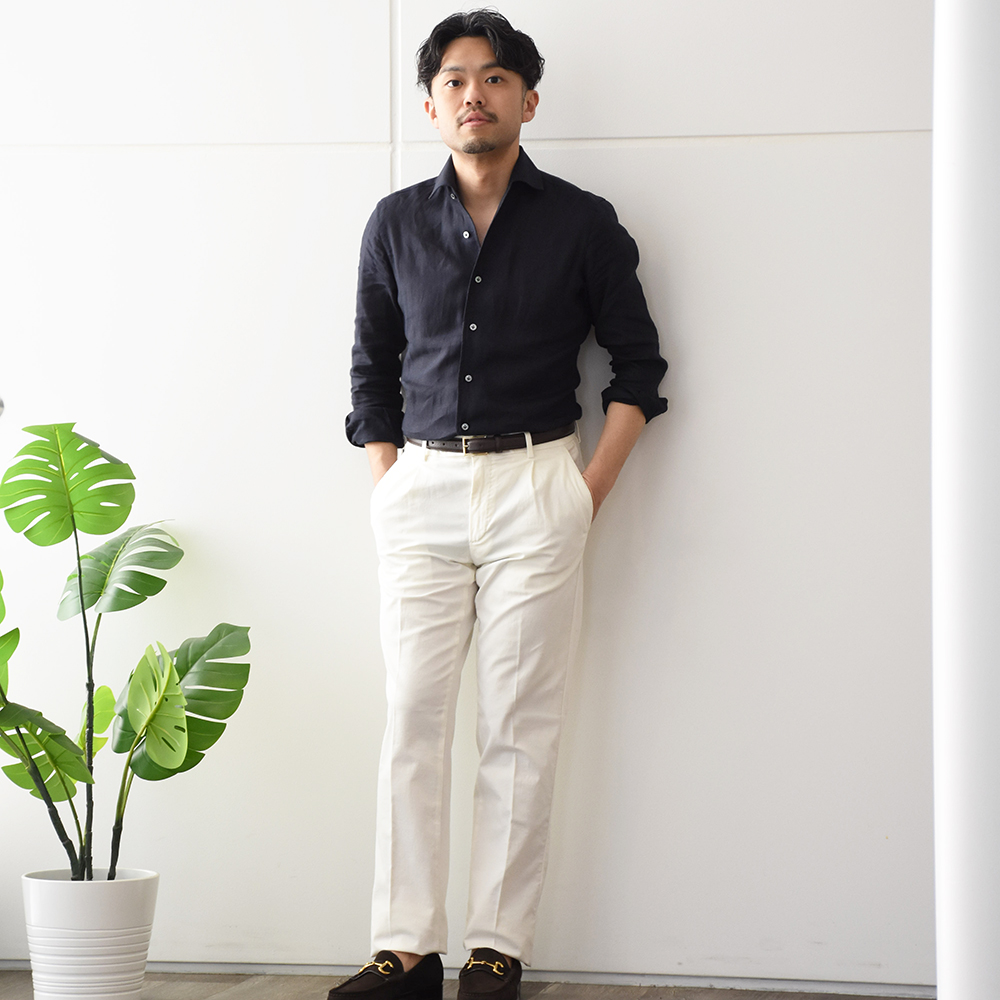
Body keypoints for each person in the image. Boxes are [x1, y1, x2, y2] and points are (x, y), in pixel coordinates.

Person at [333, 10, 667, 1000]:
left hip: (538, 485)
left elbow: (640, 369)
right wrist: (390, 481)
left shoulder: (583, 223)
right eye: (453, 79)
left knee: (520, 723)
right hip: (421, 489)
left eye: (493, 77)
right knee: (412, 716)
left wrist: (582, 493)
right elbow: (370, 371)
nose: (472, 94)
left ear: (528, 98)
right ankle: (404, 947)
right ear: (430, 106)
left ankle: (496, 948)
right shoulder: (395, 223)